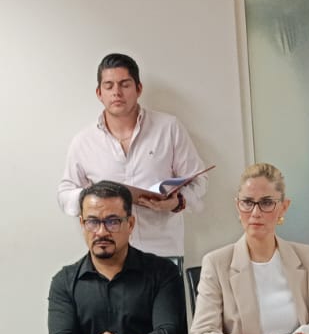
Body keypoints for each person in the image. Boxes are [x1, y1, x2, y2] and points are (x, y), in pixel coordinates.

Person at [58, 52, 209, 260]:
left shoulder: (168, 128)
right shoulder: (83, 141)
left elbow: (199, 180)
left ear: (138, 89)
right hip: (109, 256)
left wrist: (176, 203)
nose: (116, 92)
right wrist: (93, 197)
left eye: (125, 84)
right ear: (99, 93)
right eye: (109, 86)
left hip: (162, 253)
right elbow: (65, 193)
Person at [189, 163, 309, 334]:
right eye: (247, 202)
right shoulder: (216, 263)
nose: (255, 212)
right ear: (238, 206)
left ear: (283, 207)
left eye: (267, 203)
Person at [47, 181, 188, 334]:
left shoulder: (163, 272)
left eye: (112, 222)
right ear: (82, 224)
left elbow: (170, 332)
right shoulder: (64, 281)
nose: (101, 232)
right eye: (92, 222)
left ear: (130, 224)